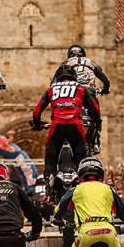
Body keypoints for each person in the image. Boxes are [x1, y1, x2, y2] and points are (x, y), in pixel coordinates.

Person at [31, 65, 102, 200]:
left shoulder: (51, 89)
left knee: (51, 157)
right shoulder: (80, 88)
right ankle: (84, 188)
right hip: (76, 124)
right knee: (82, 157)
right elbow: (94, 108)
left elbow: (37, 110)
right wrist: (96, 121)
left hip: (57, 125)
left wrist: (36, 124)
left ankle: (49, 190)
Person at [55, 158, 124, 247]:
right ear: (101, 173)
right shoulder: (108, 189)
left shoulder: (75, 190)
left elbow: (59, 209)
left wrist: (59, 221)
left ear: (80, 174)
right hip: (109, 233)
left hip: (86, 234)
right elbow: (123, 212)